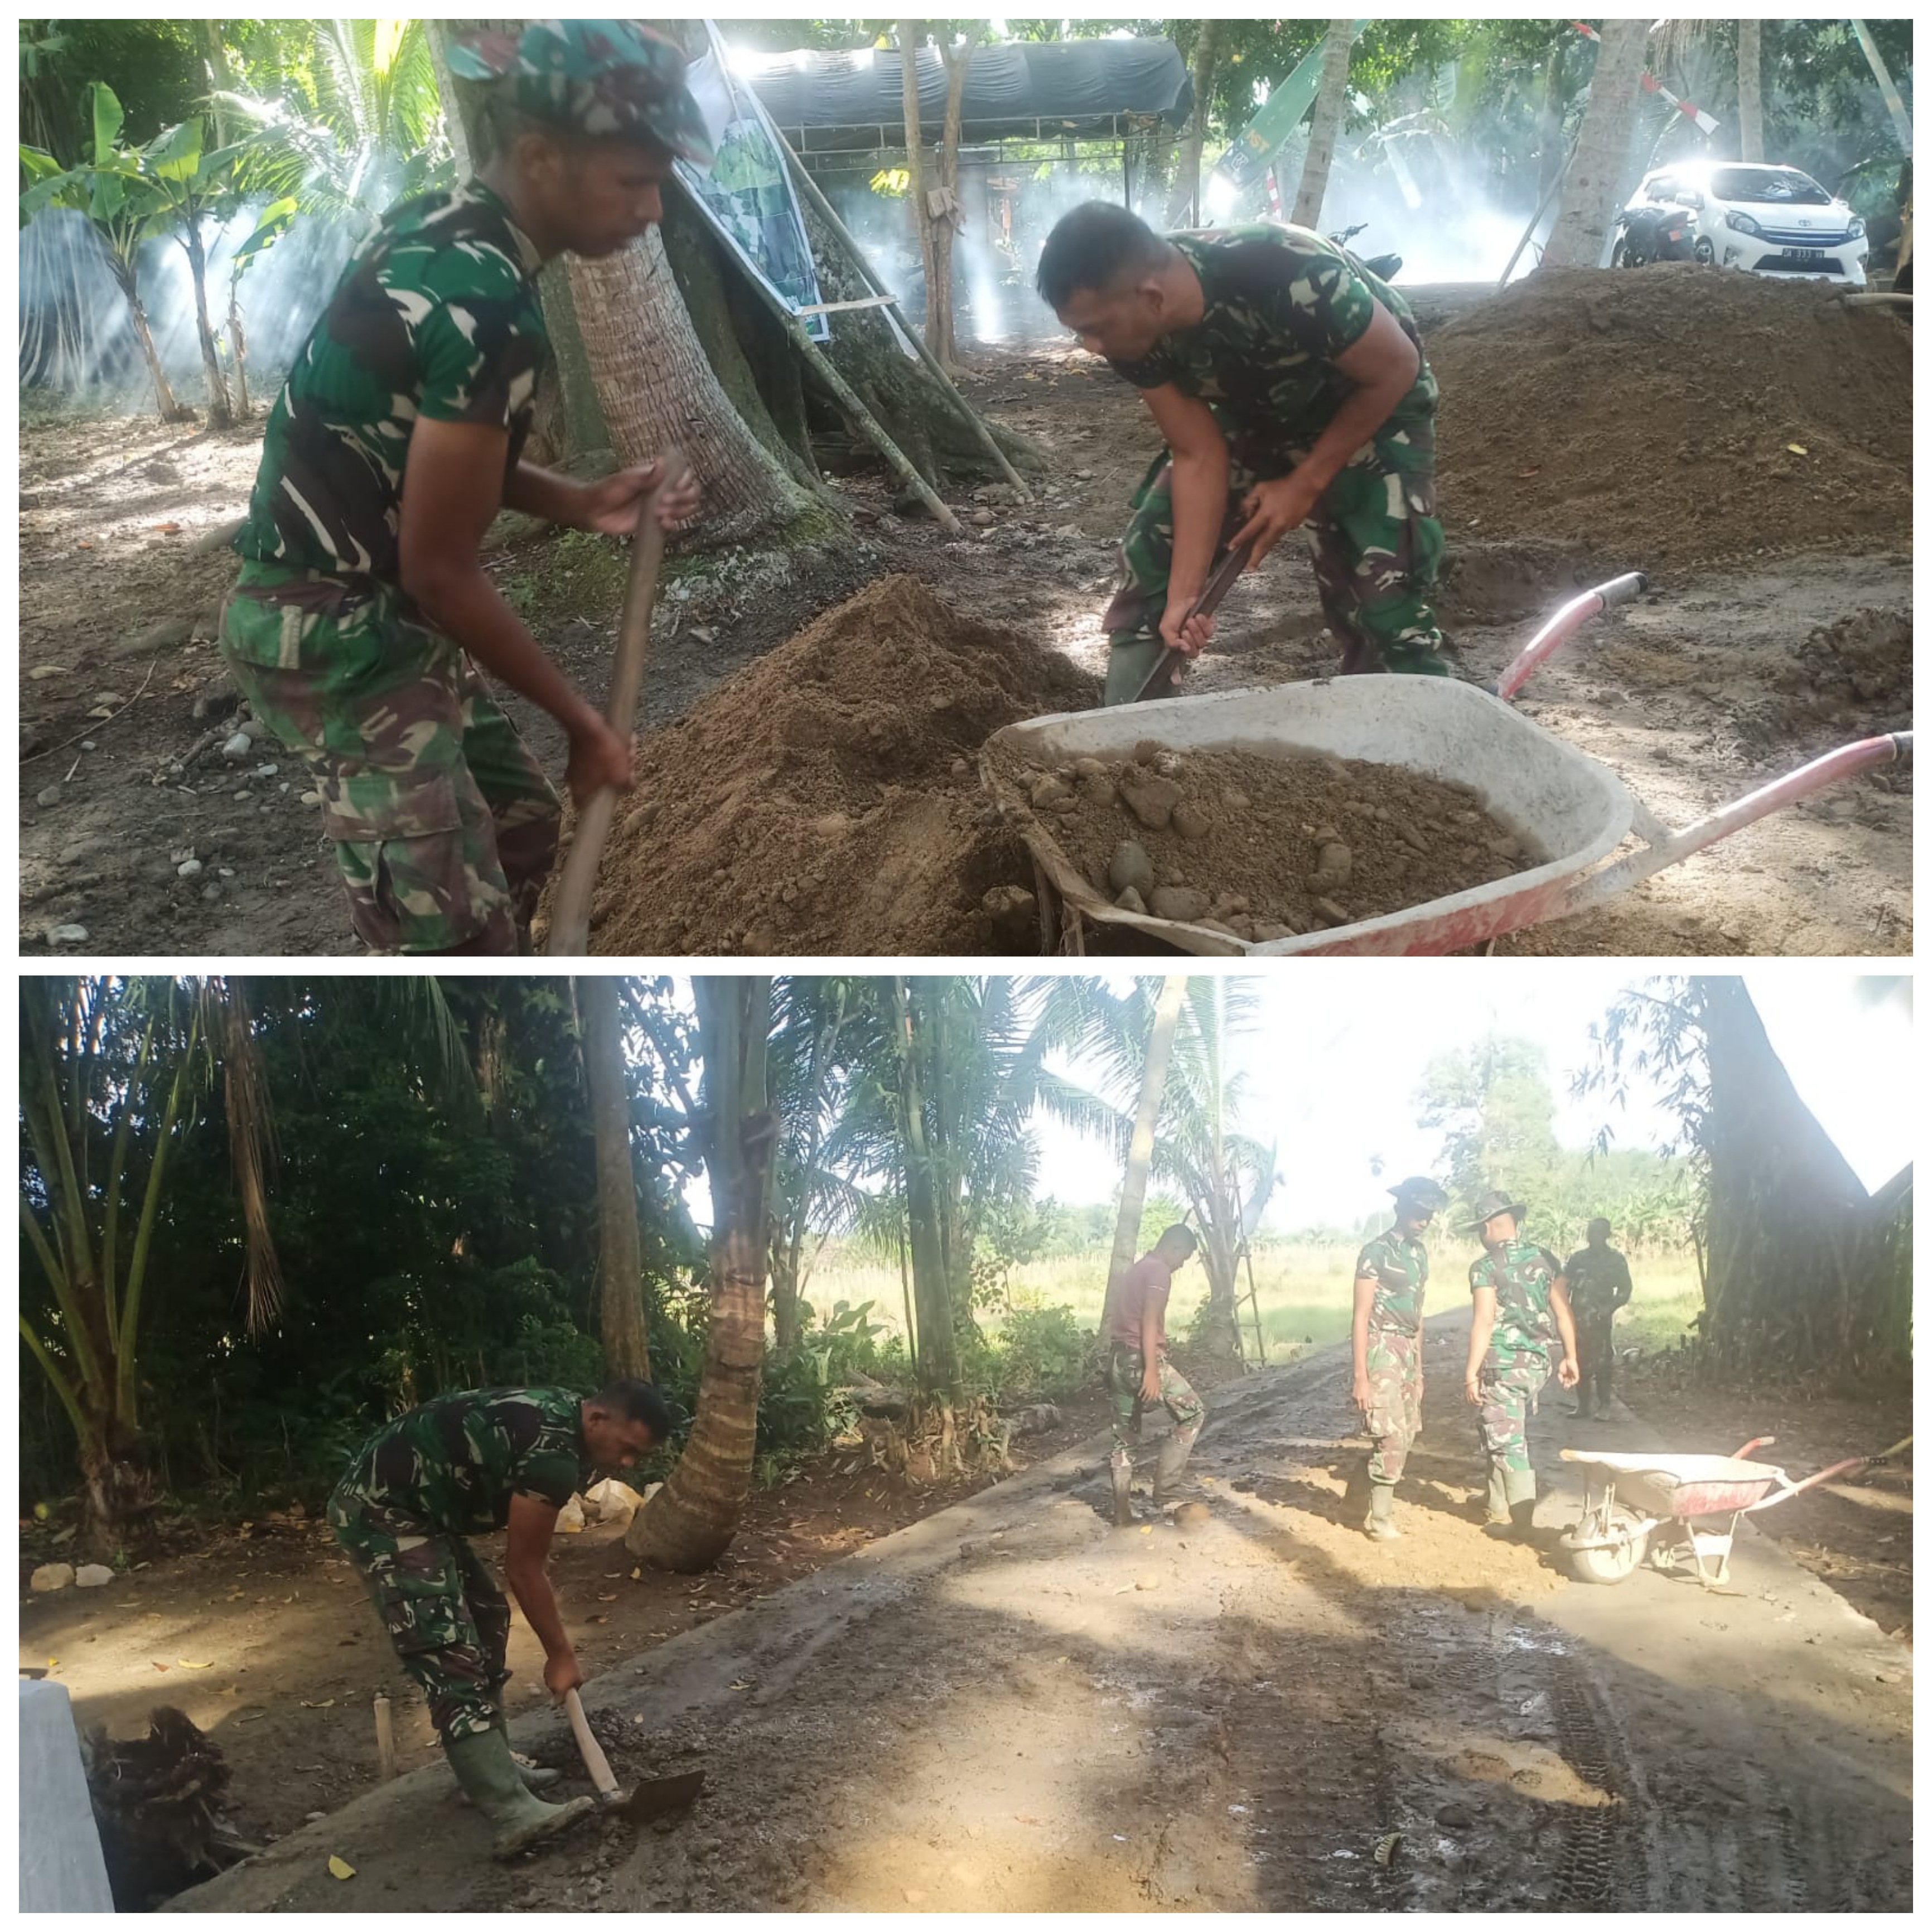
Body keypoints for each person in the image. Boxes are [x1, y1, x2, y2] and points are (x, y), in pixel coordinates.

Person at [218, 21, 713, 955]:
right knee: (444, 936)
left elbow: (410, 447)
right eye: (632, 182)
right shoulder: (487, 303)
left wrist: (577, 499)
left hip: (385, 607)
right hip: (328, 627)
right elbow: (441, 569)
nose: (652, 210)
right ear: (540, 156)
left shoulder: (442, 221)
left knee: (524, 829)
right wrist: (586, 726)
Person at [1034, 200, 1451, 704]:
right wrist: (1185, 596)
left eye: (1095, 328)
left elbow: (1395, 367)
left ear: (1152, 297)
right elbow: (1196, 454)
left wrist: (1305, 483)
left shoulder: (1285, 271)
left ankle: (1428, 730)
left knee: (1380, 595)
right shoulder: (1132, 334)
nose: (1090, 346)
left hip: (1369, 402)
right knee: (1155, 561)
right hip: (1254, 410)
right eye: (1078, 330)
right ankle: (1126, 741)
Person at [328, 1380, 670, 1858]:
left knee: (486, 1614)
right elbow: (525, 1568)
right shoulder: (553, 1452)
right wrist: (561, 1655)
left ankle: (493, 1768)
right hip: (381, 1510)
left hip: (422, 1511)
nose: (628, 1464)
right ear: (597, 1420)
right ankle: (509, 1808)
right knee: (446, 1647)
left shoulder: (568, 1419)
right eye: (628, 1449)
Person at [1460, 1191, 1579, 1542]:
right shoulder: (1547, 1258)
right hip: (1537, 1364)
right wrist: (1571, 1357)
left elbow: (1483, 1322)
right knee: (1498, 1426)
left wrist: (1470, 1372)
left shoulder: (1485, 1267)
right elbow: (1562, 1312)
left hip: (1504, 1365)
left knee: (1509, 1442)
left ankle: (1522, 1524)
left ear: (1487, 1226)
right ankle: (1495, 1499)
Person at [1350, 1175, 1450, 1542]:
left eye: (1429, 1214)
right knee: (1388, 1433)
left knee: (1406, 1432)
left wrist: (1420, 1371)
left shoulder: (1419, 1254)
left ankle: (1353, 1502)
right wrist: (1361, 1375)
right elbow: (1360, 1315)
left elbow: (1419, 1314)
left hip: (1408, 1349)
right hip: (1381, 1347)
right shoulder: (1375, 1253)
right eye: (1418, 1212)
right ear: (1401, 1208)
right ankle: (1380, 1520)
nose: (1424, 1220)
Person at [1105, 1225, 1208, 1525]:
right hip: (1141, 1359)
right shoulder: (1159, 1272)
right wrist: (1151, 1370)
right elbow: (1149, 1321)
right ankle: (1166, 1490)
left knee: (1125, 1436)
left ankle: (1122, 1512)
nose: (1181, 1265)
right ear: (1174, 1248)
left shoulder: (1137, 1270)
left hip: (1118, 1360)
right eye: (1184, 1258)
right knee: (1193, 1413)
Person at [1563, 1218, 1634, 1421]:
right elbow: (1565, 1286)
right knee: (1578, 1361)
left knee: (1603, 1363)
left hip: (1600, 1320)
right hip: (1577, 1320)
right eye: (1590, 1232)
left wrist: (1610, 1307)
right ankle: (1583, 1405)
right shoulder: (1577, 1259)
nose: (1593, 1236)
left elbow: (1625, 1289)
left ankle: (1605, 1406)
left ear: (1606, 1235)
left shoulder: (1615, 1260)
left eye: (1598, 1232)